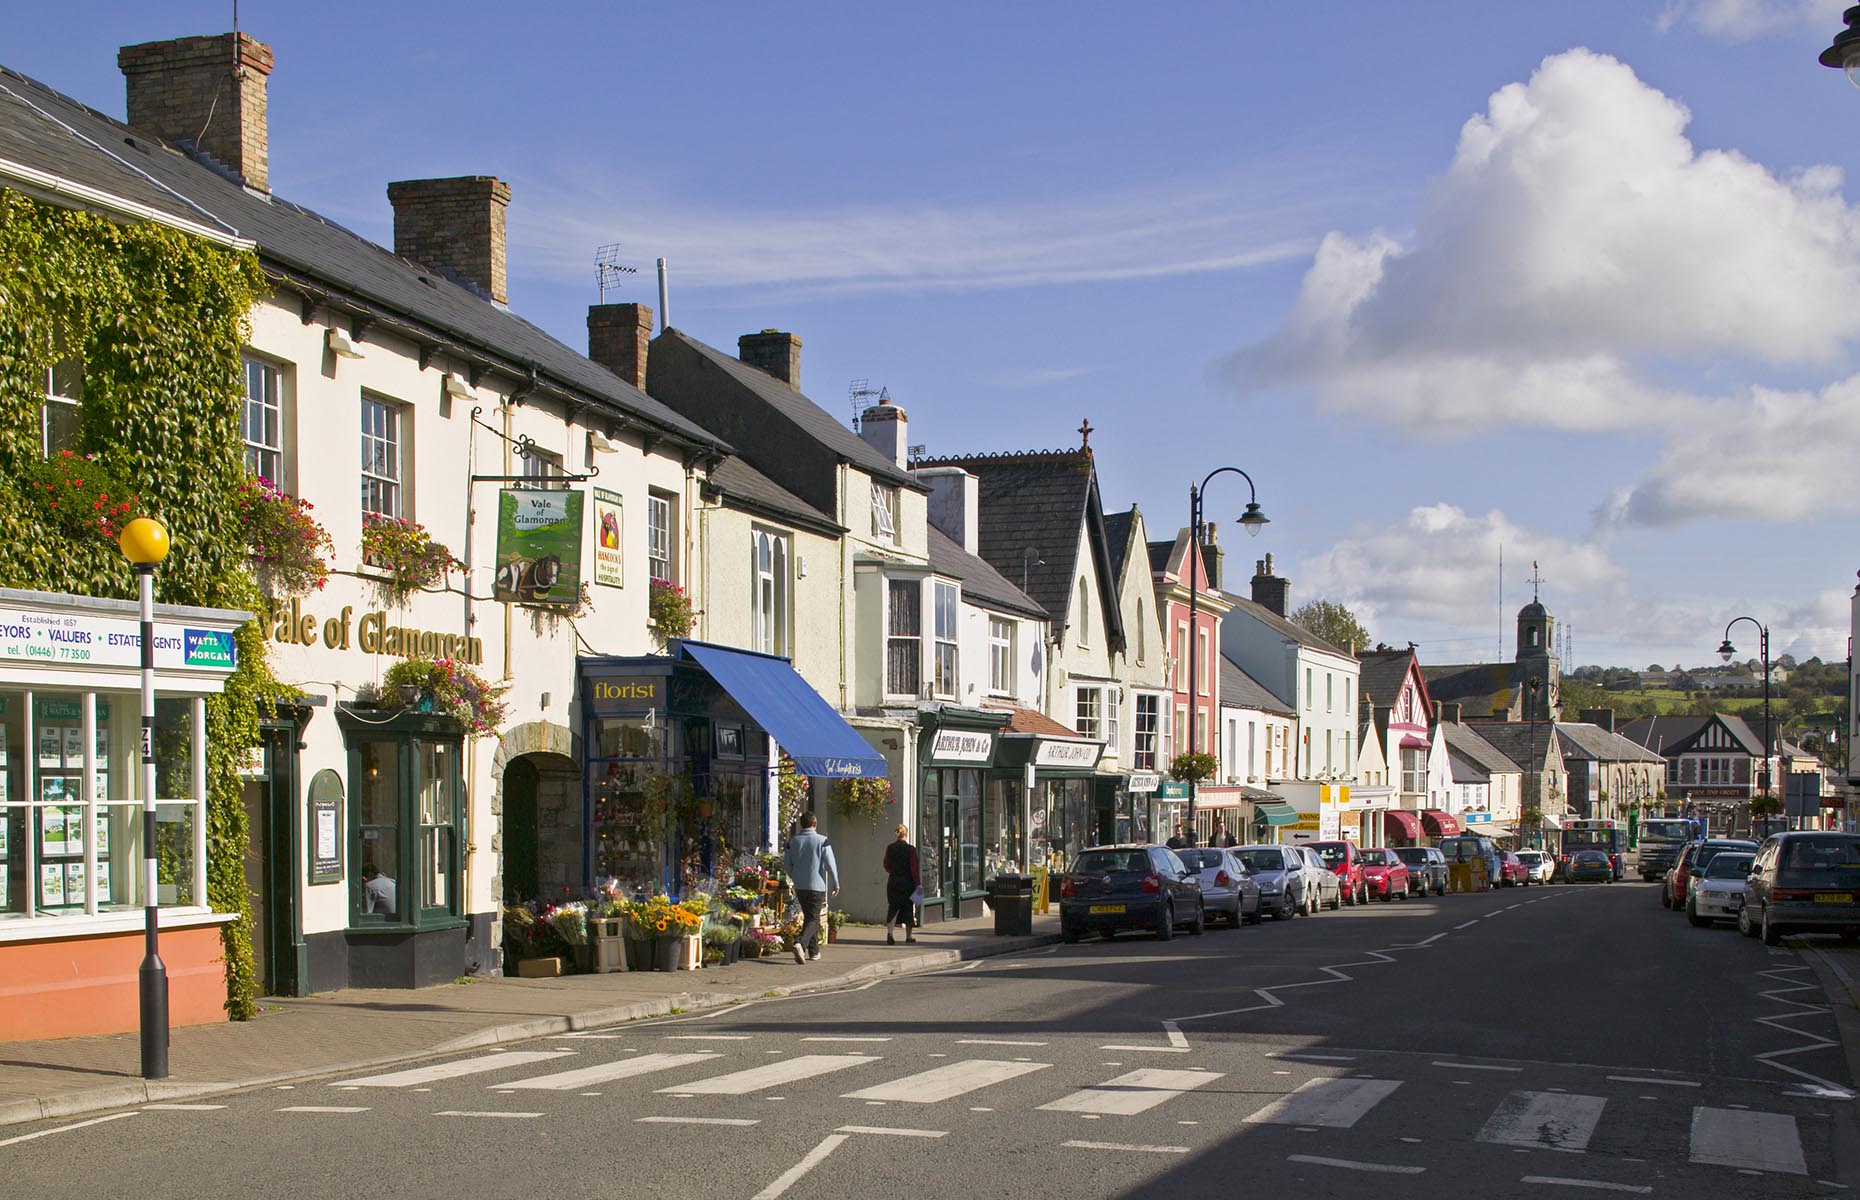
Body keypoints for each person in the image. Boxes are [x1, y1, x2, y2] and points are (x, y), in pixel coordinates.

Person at [783, 810, 838, 964]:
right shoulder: (823, 841)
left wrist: (794, 876)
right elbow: (830, 864)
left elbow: (787, 865)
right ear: (814, 823)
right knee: (814, 919)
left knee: (809, 917)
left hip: (800, 886)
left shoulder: (792, 841)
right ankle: (800, 943)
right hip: (817, 886)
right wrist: (835, 882)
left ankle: (814, 952)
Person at [882, 823, 919, 945]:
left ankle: (890, 934)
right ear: (906, 835)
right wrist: (918, 883)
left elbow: (886, 865)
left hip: (893, 882)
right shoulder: (911, 850)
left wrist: (894, 872)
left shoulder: (890, 848)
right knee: (908, 908)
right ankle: (909, 936)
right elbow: (914, 868)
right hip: (907, 883)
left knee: (893, 908)